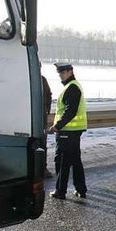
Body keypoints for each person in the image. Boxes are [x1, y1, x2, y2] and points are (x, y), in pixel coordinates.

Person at [48, 62, 88, 200]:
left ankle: (60, 191)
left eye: (63, 73)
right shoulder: (73, 86)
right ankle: (81, 189)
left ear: (70, 72)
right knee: (75, 160)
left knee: (62, 161)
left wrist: (57, 126)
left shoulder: (72, 88)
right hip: (73, 130)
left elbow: (70, 110)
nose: (61, 75)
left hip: (67, 131)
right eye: (60, 73)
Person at [41, 73, 54, 178]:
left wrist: (46, 112)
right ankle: (42, 169)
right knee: (41, 144)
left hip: (39, 117)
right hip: (41, 117)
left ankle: (42, 169)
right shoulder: (42, 80)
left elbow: (49, 96)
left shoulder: (42, 80)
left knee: (41, 144)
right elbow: (49, 96)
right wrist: (46, 112)